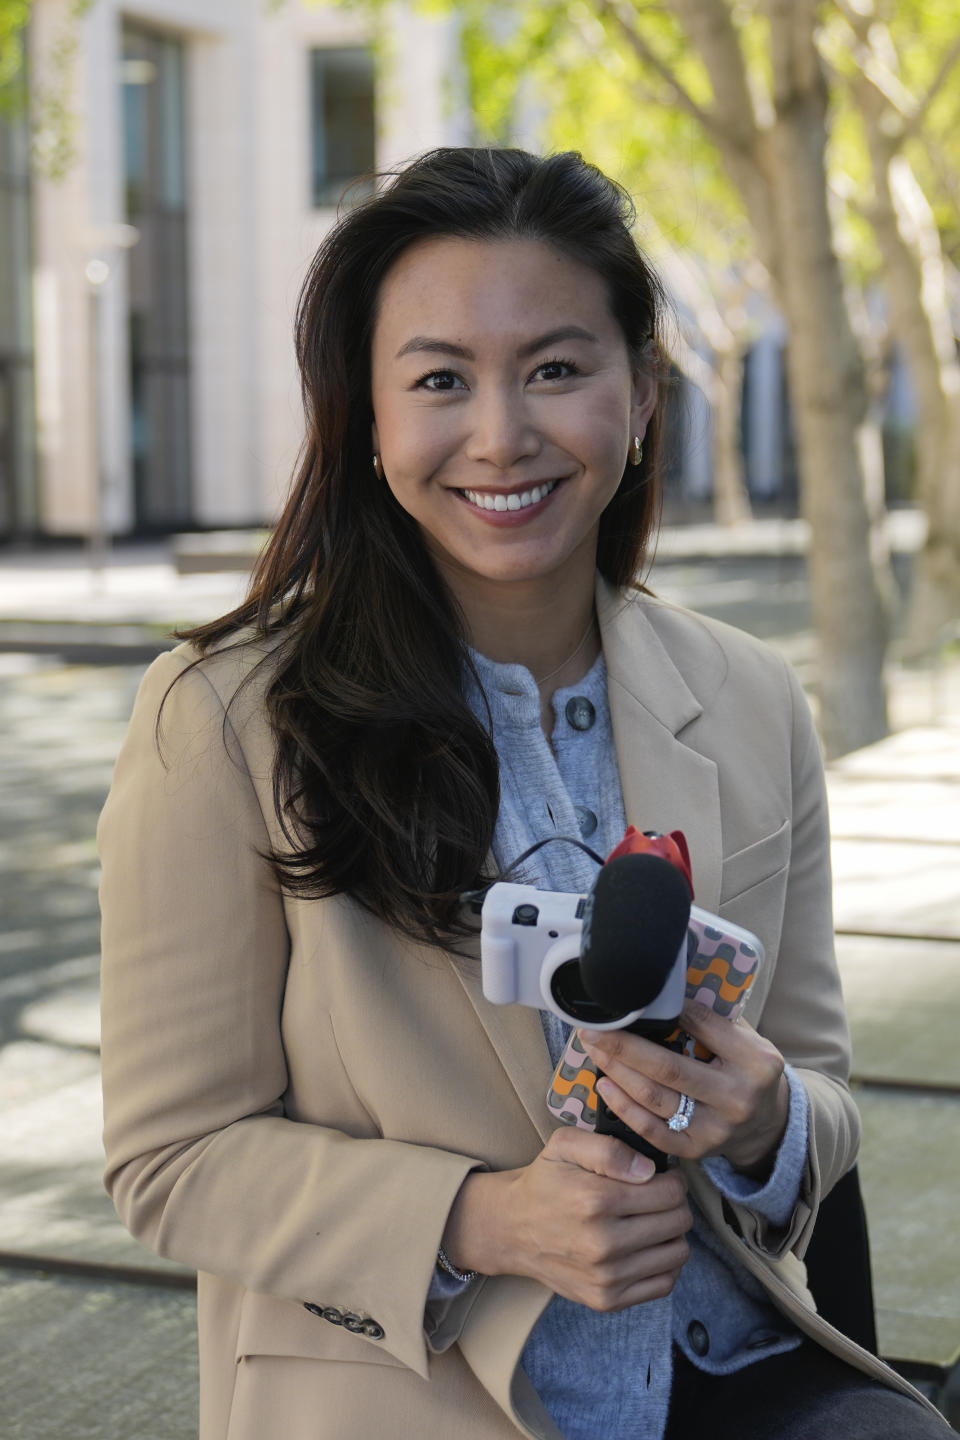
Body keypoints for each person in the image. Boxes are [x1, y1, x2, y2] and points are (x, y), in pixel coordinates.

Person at [98, 148, 953, 1440]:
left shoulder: (751, 697)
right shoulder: (220, 720)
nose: (502, 434)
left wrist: (764, 1115)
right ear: (367, 417)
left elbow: (818, 1091)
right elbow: (171, 1161)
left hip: (739, 1378)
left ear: (643, 394)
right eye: (441, 380)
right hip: (413, 1392)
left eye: (557, 369)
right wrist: (484, 1220)